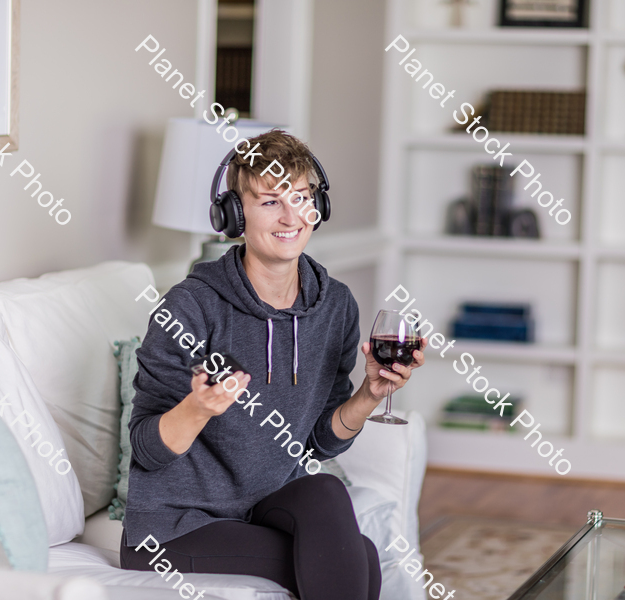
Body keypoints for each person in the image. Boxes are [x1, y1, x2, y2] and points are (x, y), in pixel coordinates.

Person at [121, 129, 426, 600]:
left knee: (327, 493)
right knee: (359, 556)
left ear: (317, 208)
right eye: (269, 202)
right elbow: (147, 450)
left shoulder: (336, 306)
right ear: (235, 215)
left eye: (301, 198)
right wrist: (198, 408)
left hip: (264, 502)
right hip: (174, 526)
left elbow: (321, 442)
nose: (290, 216)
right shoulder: (189, 307)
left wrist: (369, 396)